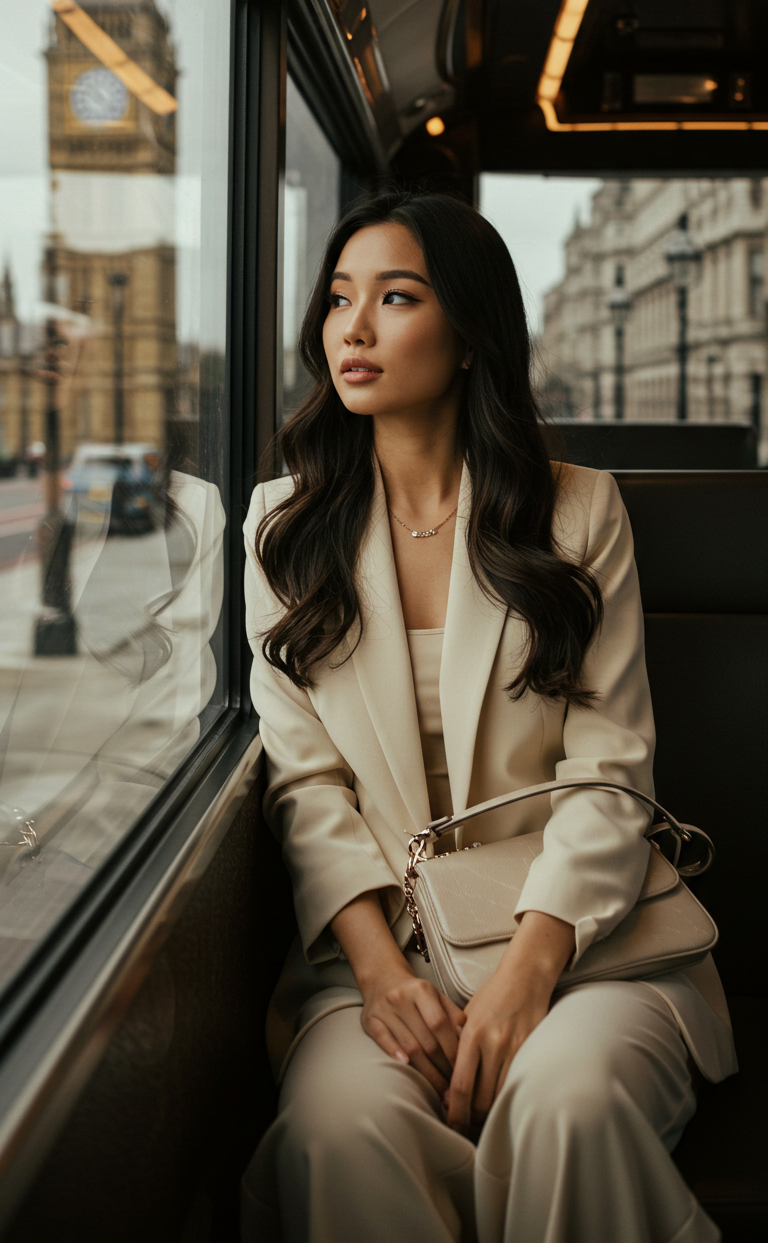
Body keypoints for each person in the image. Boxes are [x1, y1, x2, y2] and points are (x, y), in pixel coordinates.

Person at [241, 190, 737, 1243]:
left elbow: (611, 771)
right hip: (377, 957)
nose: (353, 328)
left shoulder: (578, 510)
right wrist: (382, 976)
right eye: (338, 298)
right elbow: (305, 786)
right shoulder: (281, 530)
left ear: (469, 334)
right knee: (340, 1132)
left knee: (567, 1105)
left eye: (396, 297)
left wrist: (526, 972)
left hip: (583, 940)